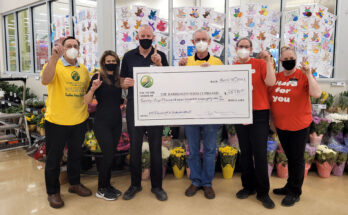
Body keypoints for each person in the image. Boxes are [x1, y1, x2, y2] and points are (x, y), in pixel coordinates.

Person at [41, 36, 92, 209]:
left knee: (76, 155)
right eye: (69, 45)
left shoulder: (84, 70)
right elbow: (45, 80)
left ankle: (74, 183)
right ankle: (53, 192)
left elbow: (86, 95)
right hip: (56, 120)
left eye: (75, 46)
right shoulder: (54, 65)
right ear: (62, 48)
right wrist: (54, 58)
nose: (72, 48)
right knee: (54, 159)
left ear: (79, 49)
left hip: (79, 120)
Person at [120, 24, 169, 201]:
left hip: (155, 107)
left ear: (153, 38)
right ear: (137, 36)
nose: (146, 38)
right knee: (135, 147)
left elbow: (168, 80)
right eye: (143, 35)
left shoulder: (160, 55)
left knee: (156, 148)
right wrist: (123, 83)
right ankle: (135, 185)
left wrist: (160, 65)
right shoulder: (128, 56)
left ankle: (157, 186)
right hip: (135, 107)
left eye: (149, 35)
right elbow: (121, 80)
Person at [269, 46, 321, 207]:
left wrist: (308, 74)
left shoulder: (303, 76)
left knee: (297, 159)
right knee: (290, 158)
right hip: (282, 127)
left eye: (292, 57)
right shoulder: (276, 77)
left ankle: (295, 192)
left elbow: (316, 93)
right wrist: (272, 121)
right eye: (285, 58)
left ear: (296, 59)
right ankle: (289, 186)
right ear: (281, 61)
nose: (289, 60)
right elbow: (271, 101)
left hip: (299, 127)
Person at [179, 29, 223, 199]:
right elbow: (180, 87)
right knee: (193, 150)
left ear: (210, 41)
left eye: (204, 39)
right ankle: (196, 180)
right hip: (191, 112)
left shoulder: (217, 62)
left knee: (211, 150)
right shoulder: (186, 62)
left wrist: (211, 72)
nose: (201, 41)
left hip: (211, 113)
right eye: (197, 39)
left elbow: (222, 86)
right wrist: (180, 70)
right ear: (192, 42)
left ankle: (207, 183)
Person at [233, 38, 276, 209]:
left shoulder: (260, 63)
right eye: (241, 46)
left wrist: (268, 61)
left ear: (251, 49)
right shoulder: (233, 67)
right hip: (240, 113)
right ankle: (248, 186)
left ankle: (263, 192)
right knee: (245, 152)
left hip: (259, 113)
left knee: (259, 153)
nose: (243, 49)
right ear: (236, 49)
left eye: (246, 47)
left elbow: (271, 82)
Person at [84, 50, 123, 201]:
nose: (111, 63)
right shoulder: (97, 77)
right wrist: (93, 88)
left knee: (111, 155)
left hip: (116, 122)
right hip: (102, 123)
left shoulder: (118, 79)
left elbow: (117, 100)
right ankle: (101, 188)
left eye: (114, 61)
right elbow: (86, 101)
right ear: (103, 62)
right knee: (107, 155)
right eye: (108, 61)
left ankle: (107, 185)